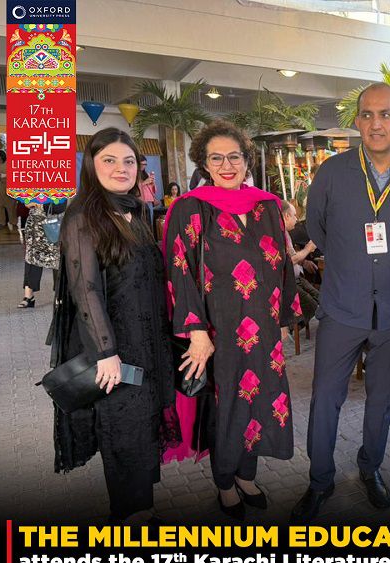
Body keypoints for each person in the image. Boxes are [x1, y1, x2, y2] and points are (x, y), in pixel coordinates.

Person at [292, 83, 390, 523]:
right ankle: (320, 480)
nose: (376, 123)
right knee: (325, 397)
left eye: (385, 114)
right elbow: (317, 229)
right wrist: (351, 262)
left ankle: (370, 466)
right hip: (342, 306)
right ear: (357, 121)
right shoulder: (332, 173)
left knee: (382, 400)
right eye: (368, 114)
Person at [164, 119, 300, 520]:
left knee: (259, 399)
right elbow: (179, 270)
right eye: (216, 158)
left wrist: (283, 320)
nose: (227, 165)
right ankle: (225, 481)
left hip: (263, 327)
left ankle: (247, 475)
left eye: (234, 157)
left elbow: (283, 266)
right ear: (204, 164)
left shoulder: (267, 207)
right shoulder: (191, 207)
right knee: (226, 408)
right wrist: (195, 331)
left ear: (246, 160)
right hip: (217, 329)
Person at [52, 127, 179, 524]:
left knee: (144, 425)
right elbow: (84, 289)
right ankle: (130, 513)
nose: (121, 168)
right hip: (115, 348)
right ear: (91, 165)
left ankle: (142, 505)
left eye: (129, 161)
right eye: (109, 160)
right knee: (124, 428)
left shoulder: (136, 210)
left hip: (147, 341)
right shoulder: (83, 215)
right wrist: (105, 353)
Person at [280, 199, 320, 325]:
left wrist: (304, 263)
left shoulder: (286, 233)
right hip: (287, 283)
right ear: (286, 216)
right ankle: (292, 326)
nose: (297, 219)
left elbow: (292, 256)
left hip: (297, 278)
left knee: (321, 299)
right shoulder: (278, 235)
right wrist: (308, 249)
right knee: (312, 307)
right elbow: (289, 261)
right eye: (294, 216)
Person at [18, 202, 64, 307]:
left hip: (54, 223)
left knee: (57, 260)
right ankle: (28, 296)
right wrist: (27, 202)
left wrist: (41, 205)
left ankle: (60, 296)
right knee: (31, 258)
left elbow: (63, 204)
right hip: (34, 224)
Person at [0, 150, 16, 231]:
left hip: (7, 188)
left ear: (0, 156)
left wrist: (3, 176)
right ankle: (1, 222)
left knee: (11, 207)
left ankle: (13, 222)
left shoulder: (9, 163)